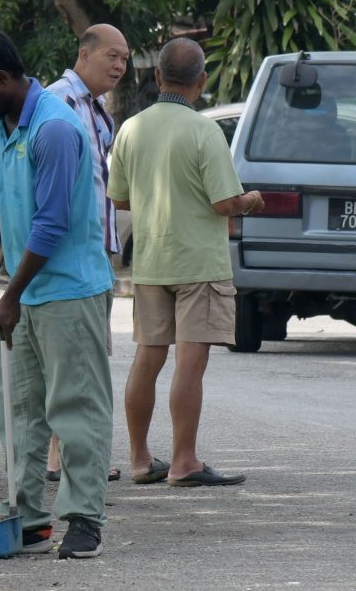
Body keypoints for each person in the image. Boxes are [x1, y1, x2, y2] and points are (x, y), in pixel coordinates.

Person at [0, 28, 114, 558]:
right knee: (17, 409)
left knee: (75, 405)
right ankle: (30, 517)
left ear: (3, 79)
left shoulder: (56, 129)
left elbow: (52, 223)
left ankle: (84, 519)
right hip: (23, 288)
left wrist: (11, 294)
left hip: (68, 291)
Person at [106, 37, 265, 487]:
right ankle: (183, 462)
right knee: (189, 364)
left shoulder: (131, 128)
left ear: (157, 77)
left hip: (152, 260)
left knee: (147, 359)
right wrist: (251, 200)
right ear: (202, 82)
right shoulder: (203, 131)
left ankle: (140, 459)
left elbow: (118, 197)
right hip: (198, 263)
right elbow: (224, 203)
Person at [44, 23, 130, 484]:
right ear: (84, 53)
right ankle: (64, 459)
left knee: (87, 357)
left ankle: (74, 453)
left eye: (124, 58)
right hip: (70, 256)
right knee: (74, 361)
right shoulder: (60, 102)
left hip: (95, 254)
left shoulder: (95, 108)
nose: (119, 66)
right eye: (111, 56)